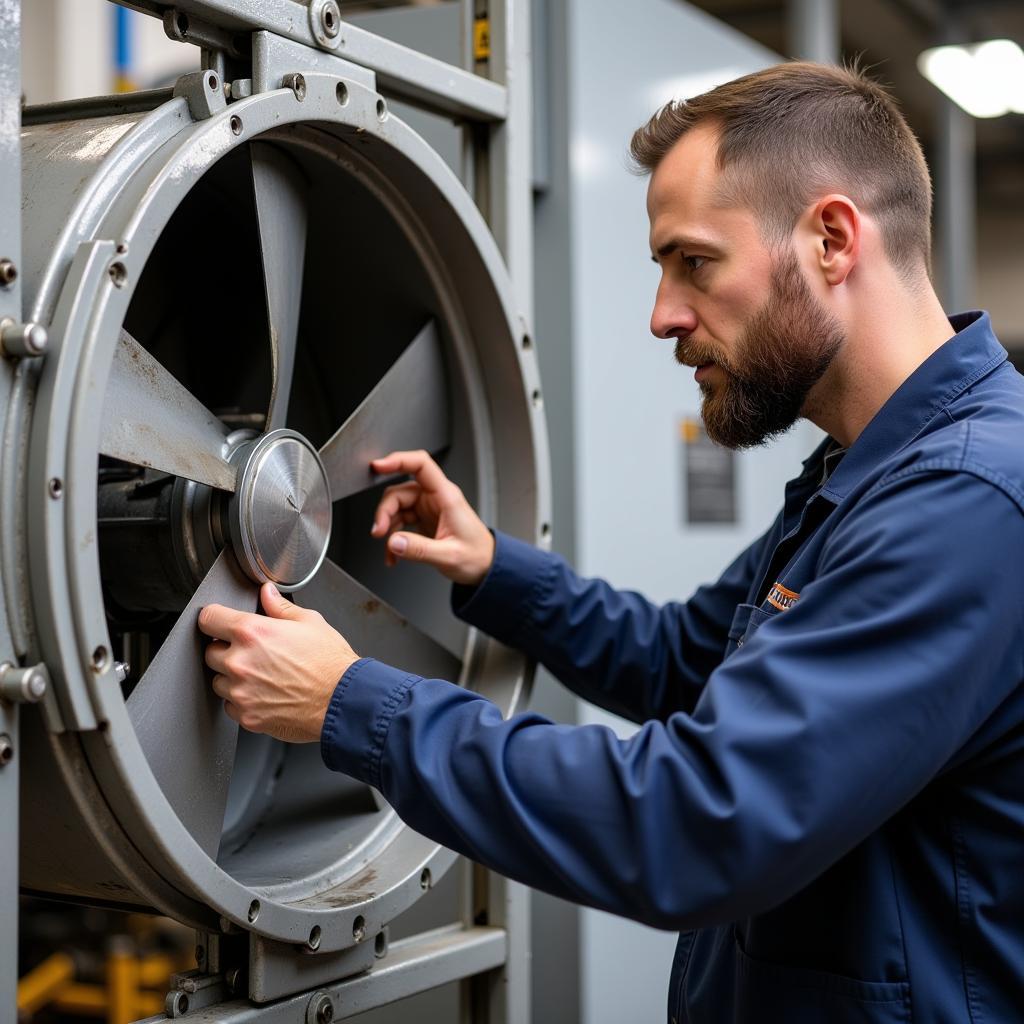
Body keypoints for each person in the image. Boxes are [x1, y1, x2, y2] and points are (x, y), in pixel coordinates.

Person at [198, 61, 1024, 1022]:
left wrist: (354, 706)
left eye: (695, 261)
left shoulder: (964, 502)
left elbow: (698, 822)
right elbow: (683, 659)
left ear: (833, 239)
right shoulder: (861, 473)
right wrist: (494, 569)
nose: (664, 314)